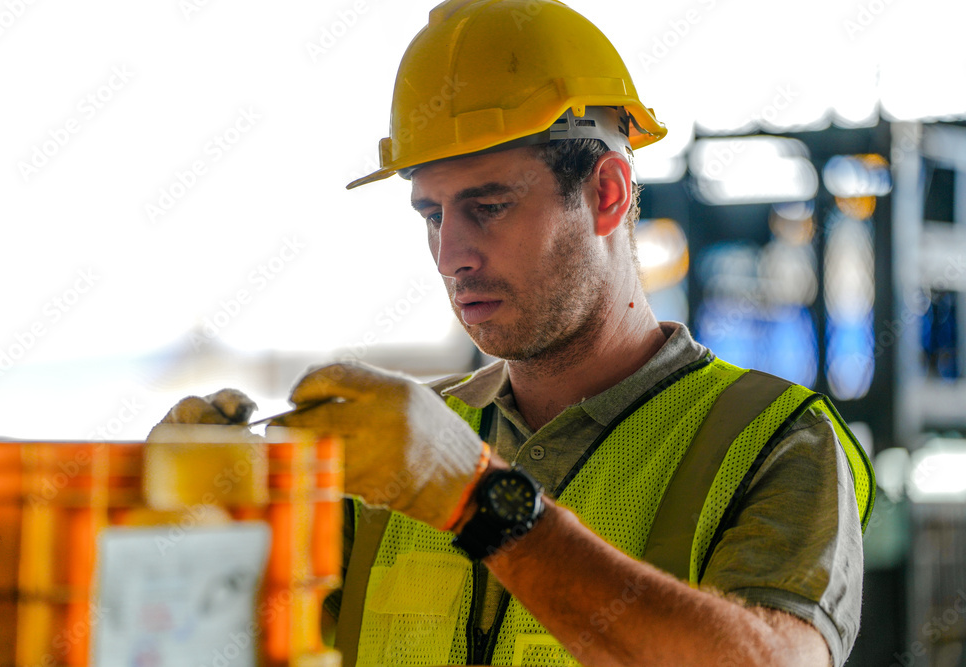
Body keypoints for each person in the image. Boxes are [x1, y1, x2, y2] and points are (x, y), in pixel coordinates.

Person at [156, 1, 875, 665]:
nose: (450, 255)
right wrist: (189, 532)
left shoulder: (773, 443)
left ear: (606, 193)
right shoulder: (393, 451)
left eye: (488, 206)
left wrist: (474, 498)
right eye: (432, 216)